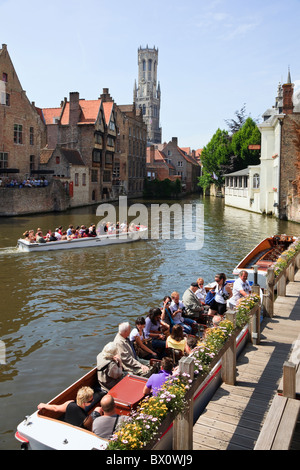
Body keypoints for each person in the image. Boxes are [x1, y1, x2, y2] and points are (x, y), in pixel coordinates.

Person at [37, 386, 102, 431]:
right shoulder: (87, 419)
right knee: (98, 409)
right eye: (91, 400)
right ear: (84, 403)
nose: (93, 400)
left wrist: (44, 405)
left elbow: (55, 408)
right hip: (80, 431)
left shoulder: (69, 403)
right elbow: (91, 432)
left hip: (69, 427)